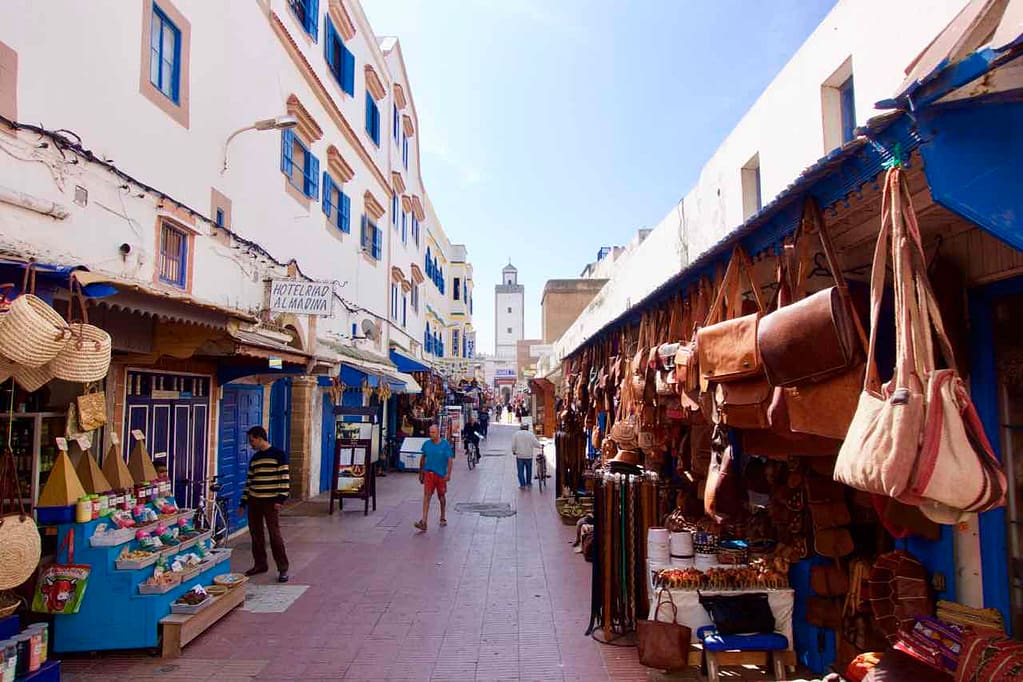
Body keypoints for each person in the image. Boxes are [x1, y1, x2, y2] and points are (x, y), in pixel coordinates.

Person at [238, 426, 290, 583]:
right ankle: (260, 564)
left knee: (275, 535)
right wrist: (243, 502)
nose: (250, 444)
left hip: (270, 502)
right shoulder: (255, 458)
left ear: (260, 438)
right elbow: (250, 481)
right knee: (256, 534)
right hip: (254, 501)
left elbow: (284, 477)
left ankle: (283, 568)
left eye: (252, 440)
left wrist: (280, 499)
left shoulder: (278, 454)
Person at [415, 424, 454, 532]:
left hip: (440, 475)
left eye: (433, 432)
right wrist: (421, 472)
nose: (431, 434)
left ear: (438, 433)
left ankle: (442, 516)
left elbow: (450, 460)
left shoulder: (445, 445)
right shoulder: (426, 444)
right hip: (429, 474)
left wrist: (448, 474)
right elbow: (423, 458)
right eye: (430, 432)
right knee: (427, 496)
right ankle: (424, 521)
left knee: (441, 496)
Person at [512, 422, 541, 489]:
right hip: (529, 455)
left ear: (520, 427)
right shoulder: (531, 434)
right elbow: (536, 443)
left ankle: (522, 484)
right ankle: (528, 482)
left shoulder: (516, 434)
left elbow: (513, 444)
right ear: (527, 428)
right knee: (529, 470)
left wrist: (514, 451)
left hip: (520, 455)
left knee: (520, 471)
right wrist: (540, 446)